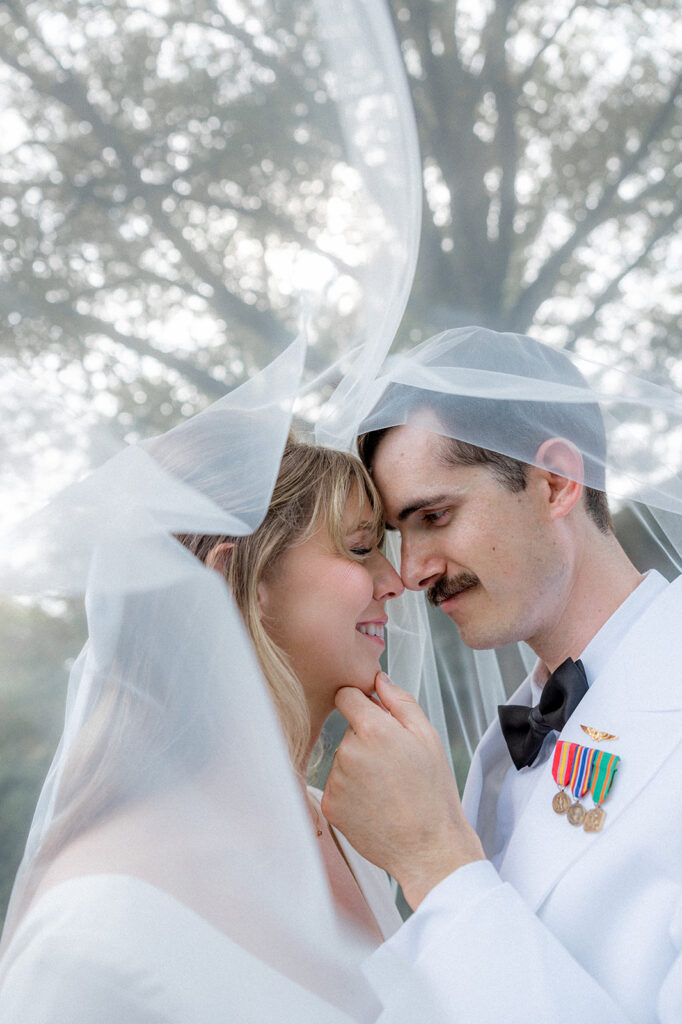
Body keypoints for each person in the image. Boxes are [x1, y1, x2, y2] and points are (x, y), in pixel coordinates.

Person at [322, 326, 682, 1023]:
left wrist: (436, 864)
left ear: (555, 481)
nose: (412, 570)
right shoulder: (499, 755)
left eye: (435, 515)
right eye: (401, 533)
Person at [0, 429, 408, 1023]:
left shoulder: (348, 833)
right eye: (360, 548)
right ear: (234, 578)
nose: (396, 581)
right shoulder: (93, 931)